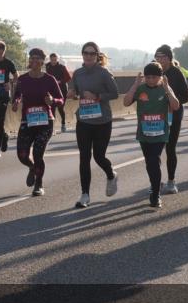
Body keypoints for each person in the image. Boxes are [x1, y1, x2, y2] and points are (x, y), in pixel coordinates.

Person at [69, 42, 119, 208]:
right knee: (84, 157)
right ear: (82, 54)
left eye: (92, 53)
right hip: (84, 120)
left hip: (102, 121)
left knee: (99, 156)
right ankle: (85, 194)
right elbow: (73, 91)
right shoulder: (78, 73)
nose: (88, 56)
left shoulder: (104, 73)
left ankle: (111, 174)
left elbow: (114, 93)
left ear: (97, 56)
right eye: (86, 53)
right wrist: (72, 94)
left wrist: (97, 96)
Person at [123, 63, 181, 208]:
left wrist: (168, 89)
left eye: (154, 77)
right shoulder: (141, 89)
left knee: (154, 160)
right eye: (148, 77)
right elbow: (125, 102)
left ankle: (155, 195)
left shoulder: (164, 88)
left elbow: (175, 106)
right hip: (144, 133)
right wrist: (135, 85)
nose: (150, 80)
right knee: (150, 162)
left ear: (160, 77)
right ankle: (155, 186)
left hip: (161, 132)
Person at [11, 48, 64, 197]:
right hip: (27, 121)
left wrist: (53, 100)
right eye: (31, 58)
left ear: (42, 61)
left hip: (45, 121)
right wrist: (16, 102)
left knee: (38, 152)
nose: (33, 61)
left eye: (37, 58)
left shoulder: (49, 79)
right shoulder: (23, 79)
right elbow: (17, 95)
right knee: (22, 155)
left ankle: (39, 185)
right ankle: (32, 167)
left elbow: (61, 100)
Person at [154, 45, 188, 193]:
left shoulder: (176, 73)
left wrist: (172, 101)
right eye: (157, 56)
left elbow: (187, 96)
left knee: (170, 148)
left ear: (169, 58)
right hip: (156, 115)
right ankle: (156, 181)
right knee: (155, 150)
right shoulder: (153, 71)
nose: (159, 59)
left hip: (173, 114)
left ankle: (171, 181)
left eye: (162, 56)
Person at [46, 53, 72, 133]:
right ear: (49, 59)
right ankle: (52, 127)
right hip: (52, 90)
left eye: (55, 60)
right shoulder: (47, 66)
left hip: (62, 89)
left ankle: (63, 124)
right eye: (51, 60)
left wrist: (60, 81)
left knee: (60, 108)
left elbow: (68, 78)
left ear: (57, 59)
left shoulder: (62, 67)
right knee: (52, 107)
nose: (53, 61)